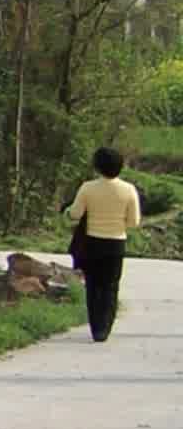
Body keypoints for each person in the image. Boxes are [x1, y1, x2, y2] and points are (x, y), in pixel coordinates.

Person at [66, 146, 141, 342]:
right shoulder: (128, 190)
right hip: (116, 243)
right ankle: (105, 328)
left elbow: (75, 214)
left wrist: (67, 212)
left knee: (93, 285)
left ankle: (96, 327)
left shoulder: (88, 188)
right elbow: (134, 222)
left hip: (91, 243)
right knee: (111, 286)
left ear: (97, 166)